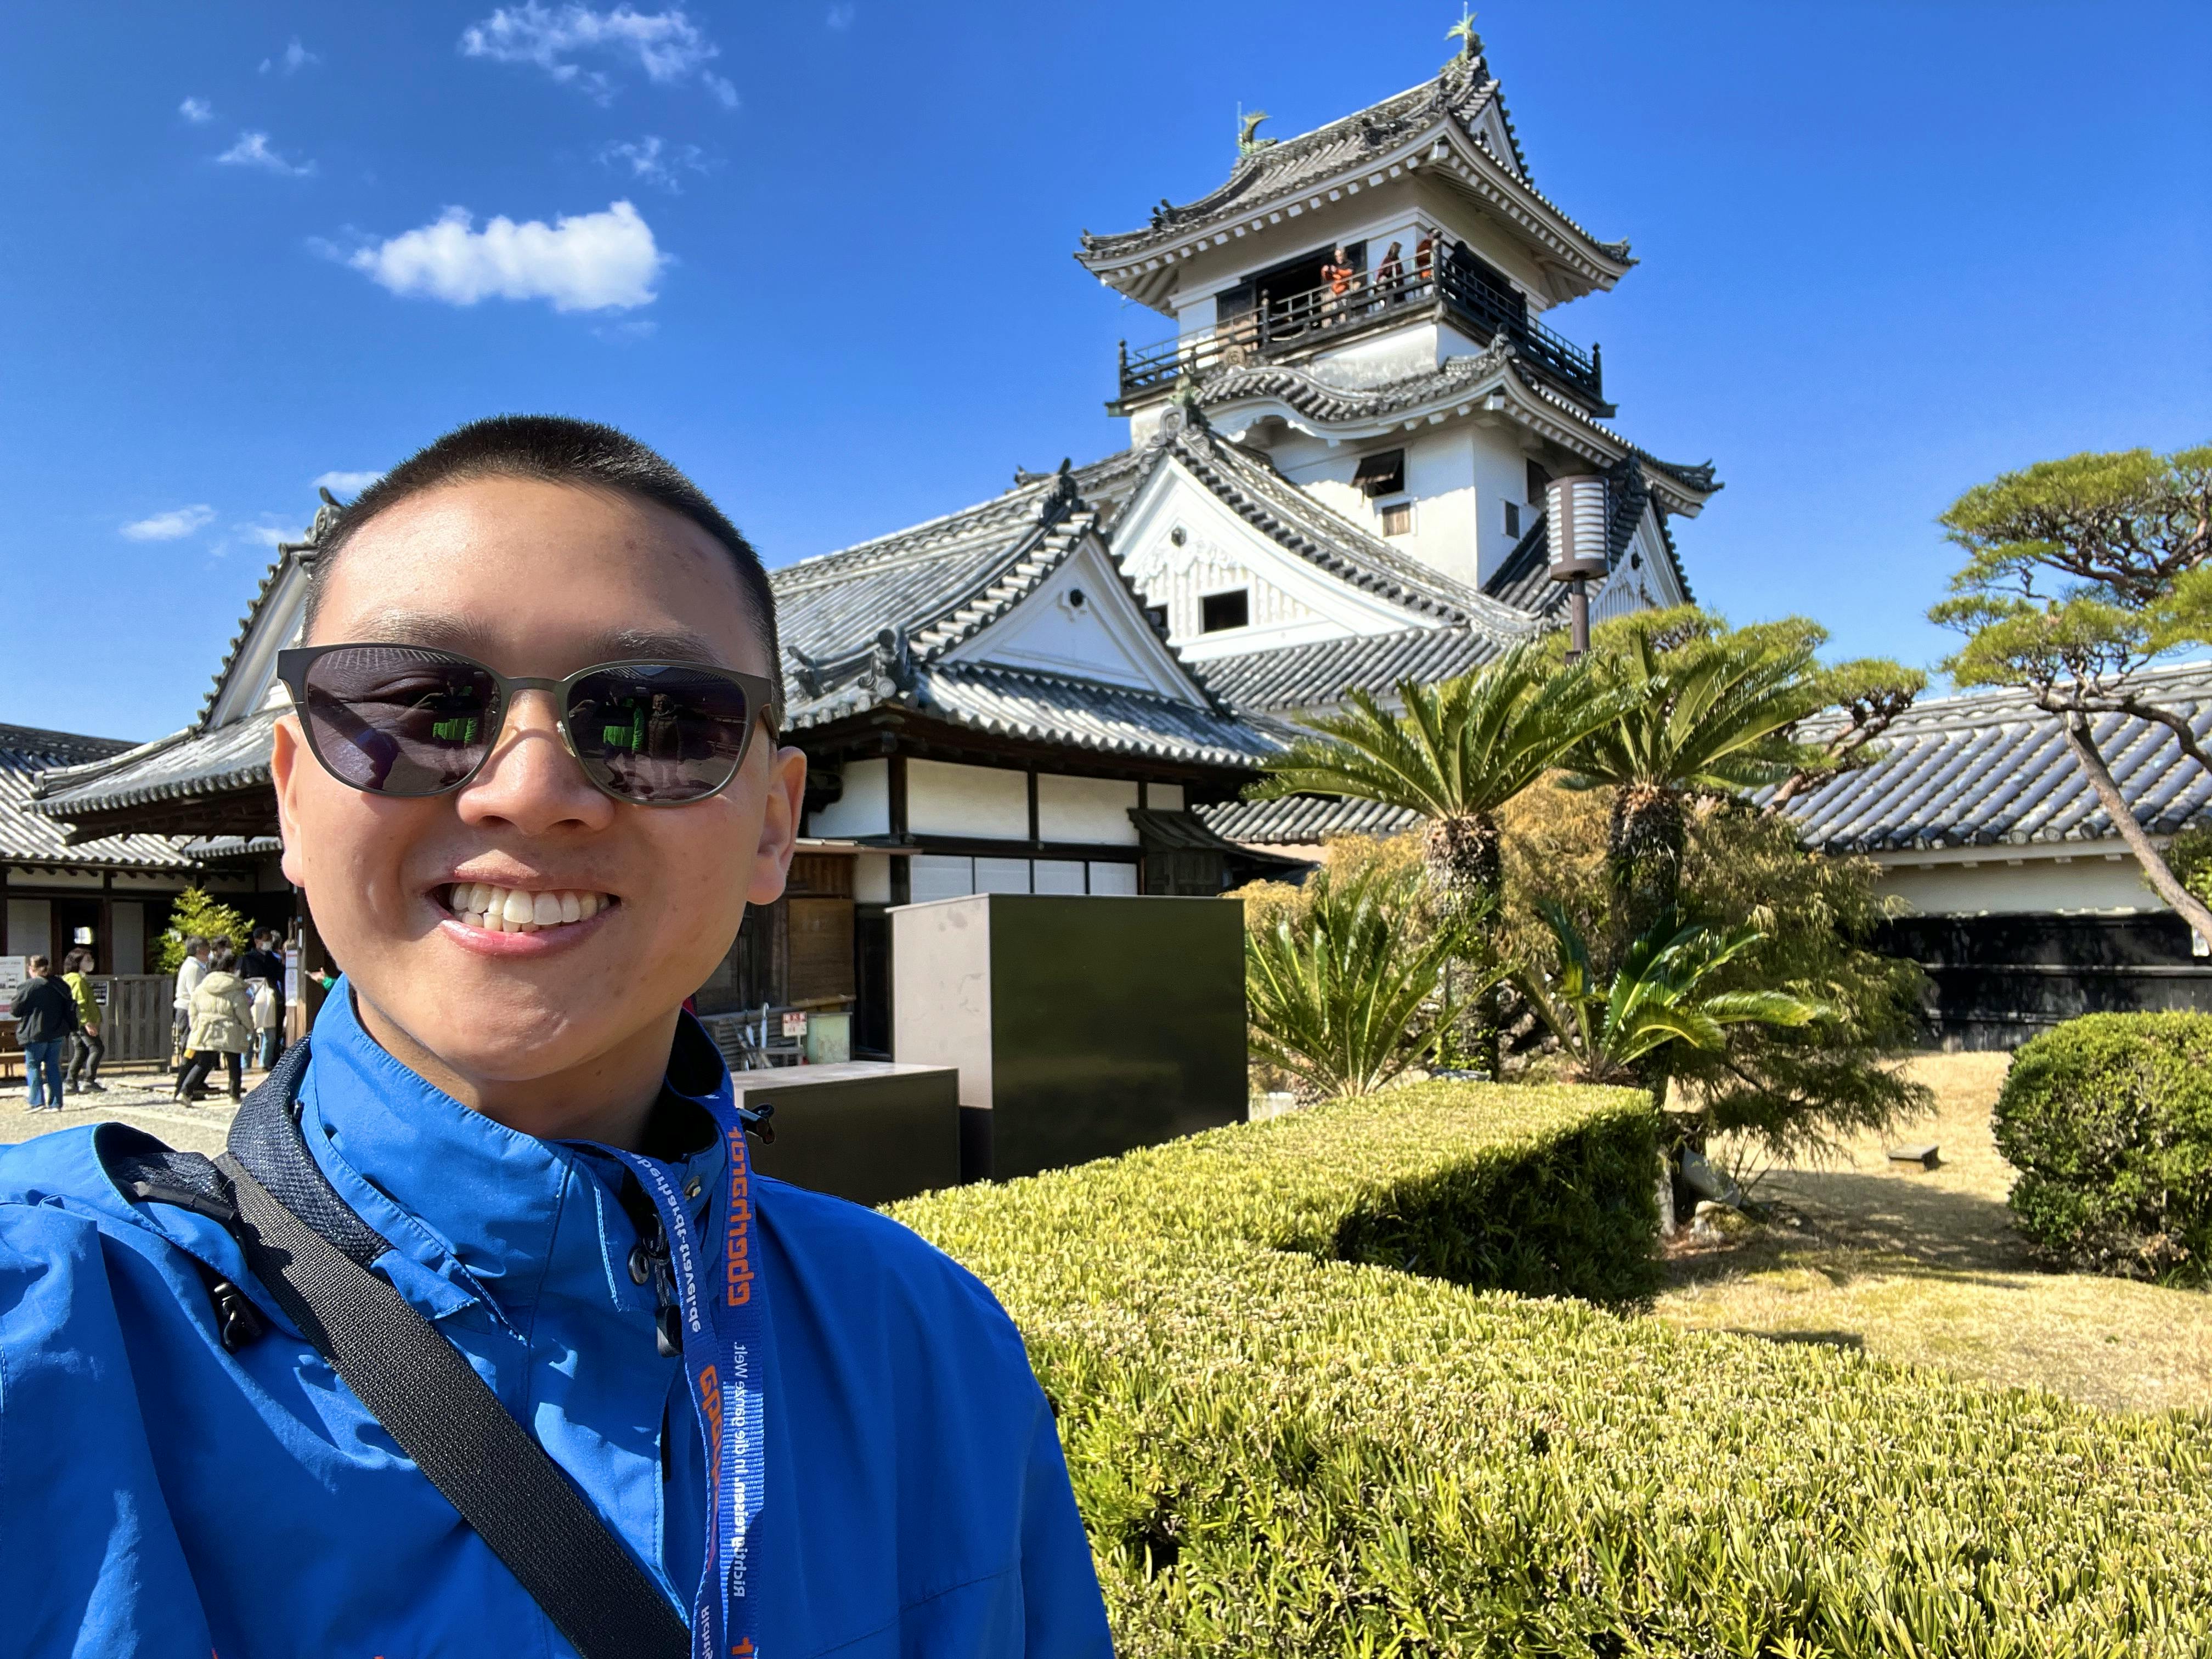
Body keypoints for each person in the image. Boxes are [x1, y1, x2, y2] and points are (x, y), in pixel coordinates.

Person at [0, 415, 1112, 1655]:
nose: (528, 788)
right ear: (293, 799)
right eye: (418, 704)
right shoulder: (57, 1323)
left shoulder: (931, 1354)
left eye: (651, 718)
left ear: (773, 823)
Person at [175, 944, 253, 1103]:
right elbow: (242, 1011)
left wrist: (196, 1025)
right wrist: (249, 1027)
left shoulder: (202, 986)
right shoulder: (235, 988)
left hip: (206, 1027)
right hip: (230, 1028)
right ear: (231, 969)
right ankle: (234, 1095)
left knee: (204, 1063)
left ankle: (185, 1092)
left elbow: (193, 1009)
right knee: (234, 1063)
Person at [9, 955, 77, 1113]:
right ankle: (56, 1103)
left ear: (31, 969)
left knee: (33, 1066)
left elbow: (15, 1010)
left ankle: (36, 1102)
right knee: (53, 1066)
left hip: (36, 1033)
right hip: (58, 1032)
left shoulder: (29, 986)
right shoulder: (61, 985)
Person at [239, 927, 287, 1068]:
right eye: (266, 940)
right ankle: (245, 1065)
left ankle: (265, 1064)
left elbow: (281, 976)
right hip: (252, 998)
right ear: (257, 941)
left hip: (271, 997)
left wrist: (284, 964)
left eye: (270, 941)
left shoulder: (273, 959)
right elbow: (239, 979)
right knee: (250, 1032)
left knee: (270, 1033)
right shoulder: (246, 959)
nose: (269, 943)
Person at [61, 948, 106, 1094]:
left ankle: (70, 1082)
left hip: (74, 1022)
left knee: (81, 1051)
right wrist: (88, 1022)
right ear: (77, 963)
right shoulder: (78, 980)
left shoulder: (69, 979)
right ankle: (89, 1080)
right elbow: (80, 1003)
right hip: (82, 1022)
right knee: (97, 1048)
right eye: (87, 960)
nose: (91, 963)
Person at [171, 934, 210, 1066]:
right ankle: (186, 1076)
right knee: (190, 1044)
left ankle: (191, 1078)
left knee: (193, 1045)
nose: (209, 951)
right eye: (207, 948)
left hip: (188, 1009)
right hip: (189, 1010)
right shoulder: (193, 968)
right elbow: (196, 993)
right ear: (199, 949)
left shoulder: (196, 966)